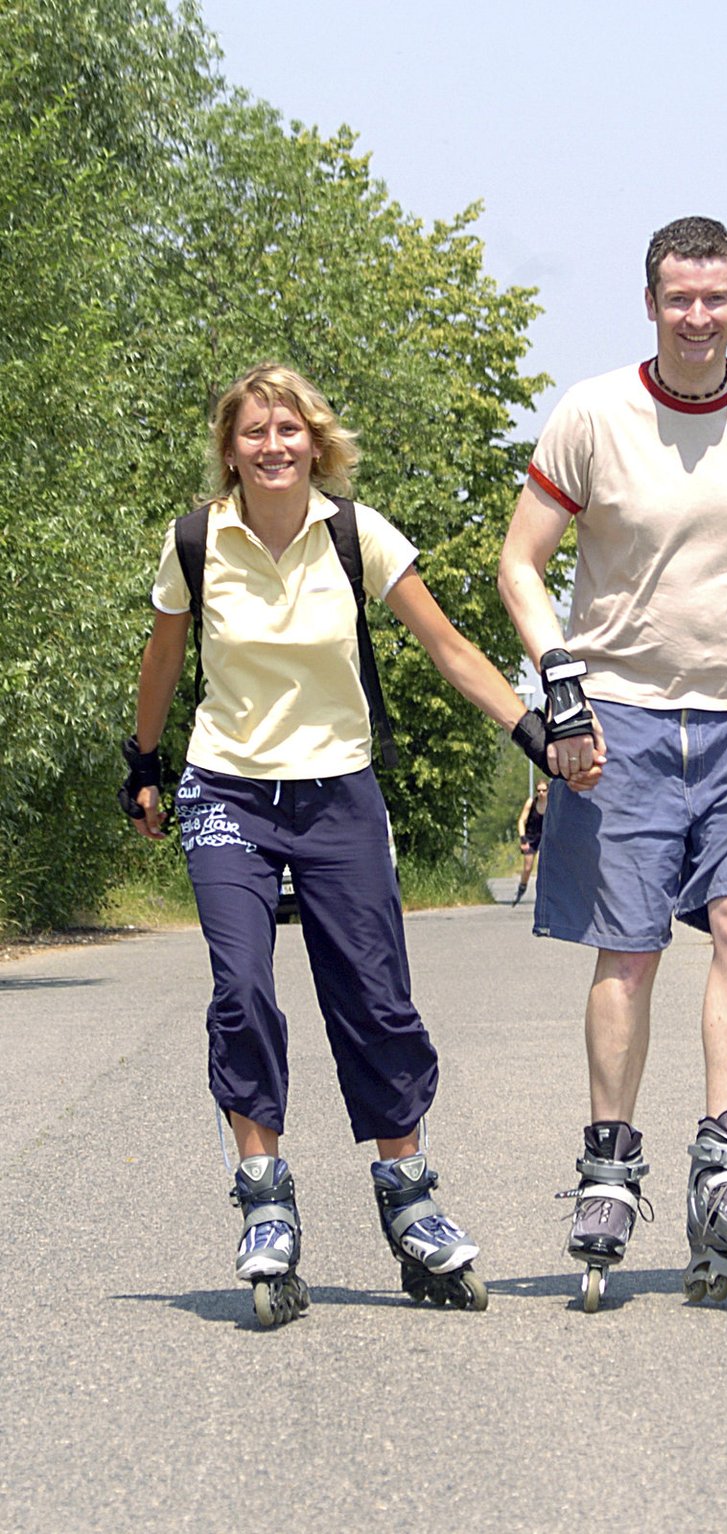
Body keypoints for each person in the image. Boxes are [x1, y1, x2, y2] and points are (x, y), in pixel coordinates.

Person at [121, 360, 598, 1325]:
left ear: (315, 442)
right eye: (253, 432)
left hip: (338, 791)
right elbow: (165, 655)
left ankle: (410, 1196)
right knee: (241, 986)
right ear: (230, 449)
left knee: (374, 998)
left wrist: (531, 731)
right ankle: (264, 1201)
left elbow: (447, 644)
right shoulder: (195, 543)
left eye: (288, 431)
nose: (272, 447)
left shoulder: (356, 534)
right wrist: (141, 761)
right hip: (227, 788)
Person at [498, 216, 727, 1310]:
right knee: (631, 948)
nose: (698, 317)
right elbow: (520, 560)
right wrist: (557, 678)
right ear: (649, 303)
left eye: (716, 298)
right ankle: (609, 1166)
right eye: (679, 298)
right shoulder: (593, 414)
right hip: (624, 722)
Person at [512, 780, 549, 904]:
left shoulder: (551, 804)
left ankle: (546, 894)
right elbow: (521, 821)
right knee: (528, 868)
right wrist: (523, 839)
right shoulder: (531, 802)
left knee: (545, 866)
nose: (541, 793)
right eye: (539, 790)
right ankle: (522, 887)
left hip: (545, 838)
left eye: (544, 790)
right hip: (531, 837)